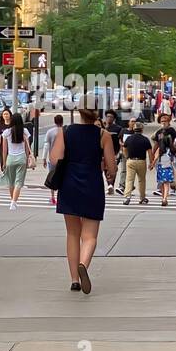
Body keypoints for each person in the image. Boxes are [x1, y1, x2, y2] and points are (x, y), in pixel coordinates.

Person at [51, 101, 117, 293]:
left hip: (69, 184)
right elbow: (111, 167)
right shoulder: (103, 135)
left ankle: (74, 280)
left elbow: (54, 159)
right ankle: (83, 265)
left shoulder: (65, 131)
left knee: (72, 234)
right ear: (97, 112)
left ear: (79, 111)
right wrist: (109, 172)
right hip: (92, 184)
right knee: (89, 236)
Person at [1, 112, 34, 211]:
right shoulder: (25, 131)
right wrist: (28, 158)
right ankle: (13, 202)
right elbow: (27, 147)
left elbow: (4, 149)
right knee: (19, 182)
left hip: (10, 158)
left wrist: (4, 162)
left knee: (11, 182)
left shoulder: (7, 132)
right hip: (21, 158)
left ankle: (13, 201)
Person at [122, 121, 152, 205]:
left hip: (131, 161)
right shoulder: (145, 139)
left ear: (134, 129)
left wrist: (127, 157)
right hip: (141, 161)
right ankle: (142, 197)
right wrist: (151, 162)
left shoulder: (129, 138)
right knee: (141, 180)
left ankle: (127, 197)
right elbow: (150, 152)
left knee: (129, 179)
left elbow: (124, 149)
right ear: (142, 130)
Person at [150, 119, 176, 207]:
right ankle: (165, 197)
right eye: (162, 121)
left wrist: (152, 163)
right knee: (166, 183)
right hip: (168, 166)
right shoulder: (171, 150)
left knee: (162, 182)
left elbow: (156, 156)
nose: (163, 123)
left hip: (161, 166)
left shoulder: (161, 150)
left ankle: (163, 197)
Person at [43, 113, 64, 206]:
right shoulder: (65, 131)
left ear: (55, 122)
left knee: (52, 177)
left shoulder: (50, 132)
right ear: (62, 121)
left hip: (52, 159)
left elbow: (46, 146)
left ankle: (52, 197)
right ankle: (61, 197)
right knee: (62, 178)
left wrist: (44, 158)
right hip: (63, 159)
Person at [102, 110, 123, 194]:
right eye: (108, 117)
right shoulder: (103, 128)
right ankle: (109, 185)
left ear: (114, 119)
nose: (109, 118)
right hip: (103, 152)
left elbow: (121, 141)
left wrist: (120, 152)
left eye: (111, 117)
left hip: (114, 152)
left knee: (113, 169)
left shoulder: (118, 129)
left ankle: (111, 185)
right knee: (105, 170)